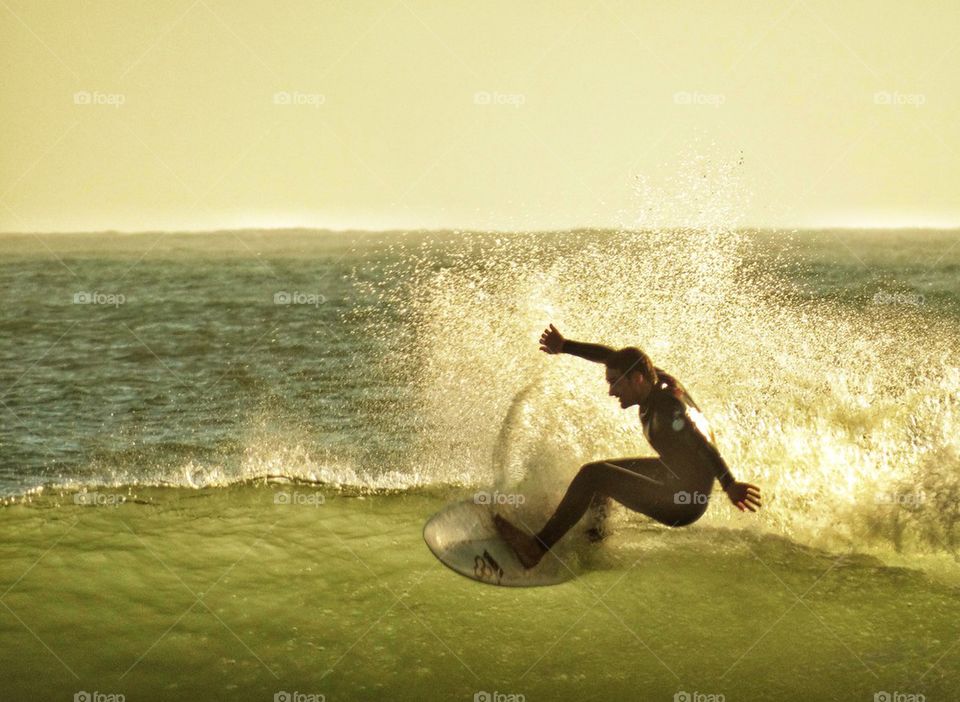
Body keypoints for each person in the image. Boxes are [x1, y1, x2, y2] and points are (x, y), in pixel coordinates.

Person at [494, 324, 762, 568]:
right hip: (673, 474)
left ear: (636, 380)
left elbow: (701, 442)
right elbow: (610, 356)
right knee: (601, 473)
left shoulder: (667, 408)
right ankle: (594, 538)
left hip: (682, 502)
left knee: (593, 476)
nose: (611, 391)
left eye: (614, 383)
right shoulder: (653, 378)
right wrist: (565, 346)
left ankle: (535, 549)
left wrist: (729, 484)